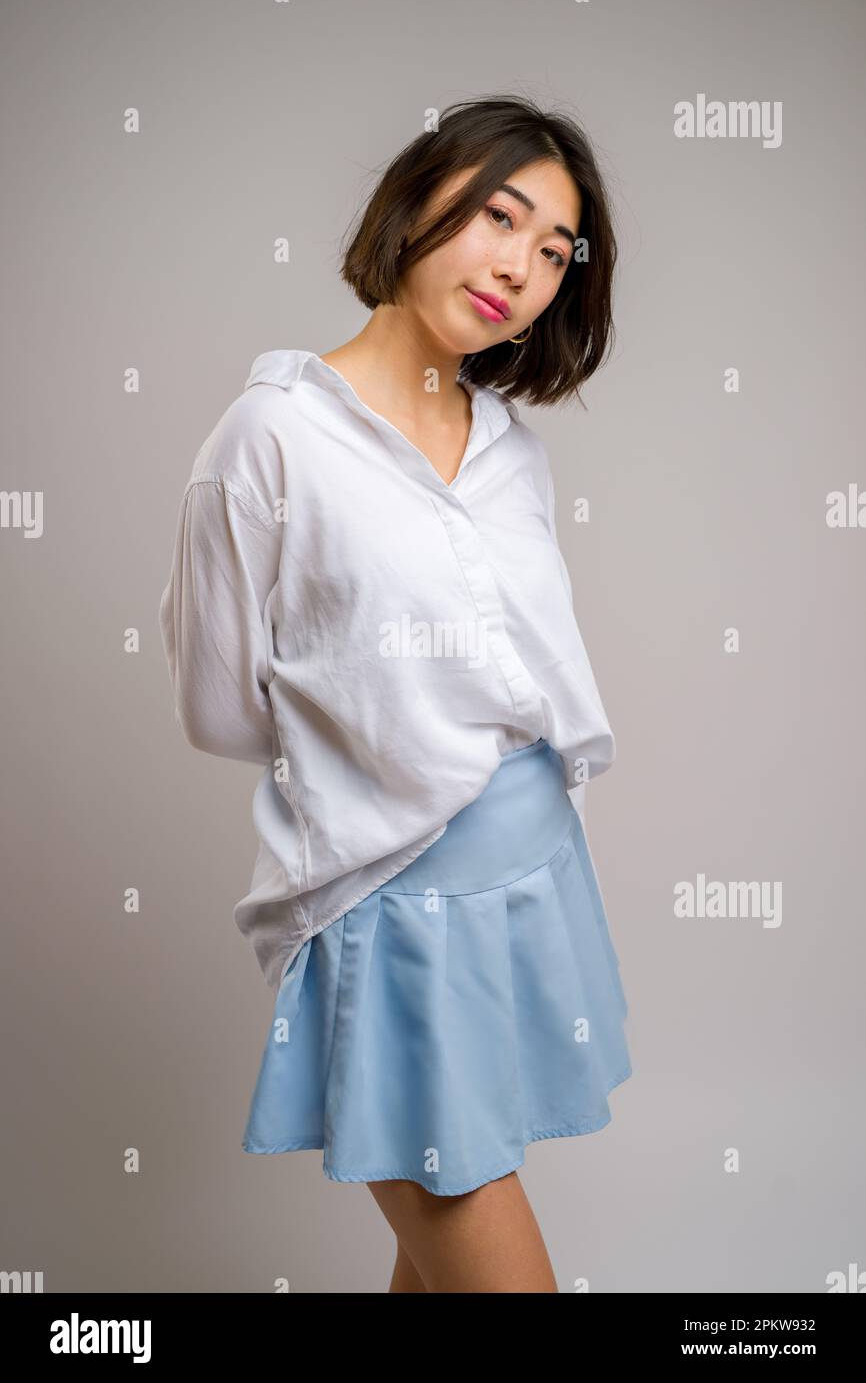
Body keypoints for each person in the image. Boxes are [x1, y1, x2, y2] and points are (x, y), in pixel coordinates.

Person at [158, 93, 631, 1293]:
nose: (518, 268)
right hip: (389, 901)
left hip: (530, 880)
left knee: (435, 1266)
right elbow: (221, 704)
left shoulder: (509, 450)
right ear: (421, 196)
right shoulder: (268, 437)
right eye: (498, 215)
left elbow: (523, 683)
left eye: (550, 252)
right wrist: (370, 748)